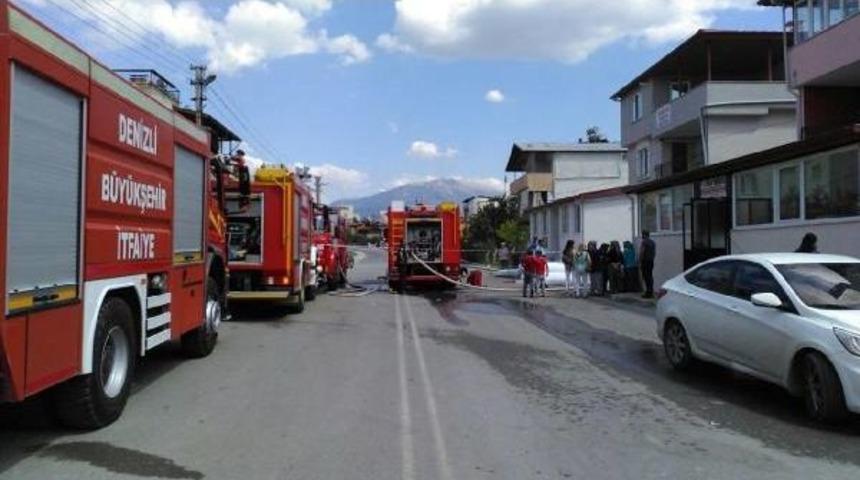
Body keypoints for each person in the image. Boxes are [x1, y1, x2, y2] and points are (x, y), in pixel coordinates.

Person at [640, 230, 656, 298]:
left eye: (642, 235)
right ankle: (651, 291)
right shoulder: (653, 242)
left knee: (646, 277)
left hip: (645, 261)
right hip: (651, 261)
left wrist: (640, 260)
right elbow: (654, 253)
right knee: (650, 276)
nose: (642, 236)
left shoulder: (644, 242)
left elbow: (642, 252)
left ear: (644, 235)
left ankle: (648, 292)